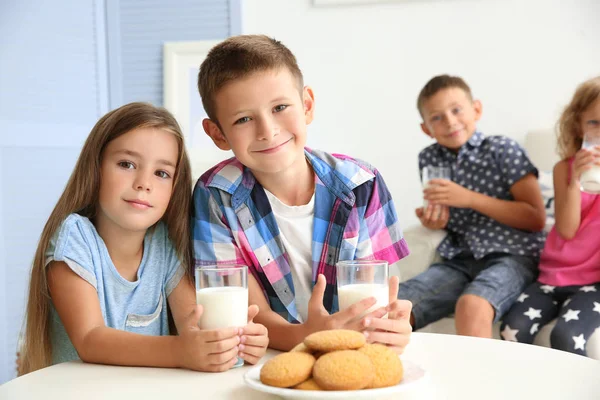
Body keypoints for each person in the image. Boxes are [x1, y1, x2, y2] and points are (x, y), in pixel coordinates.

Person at [192, 35, 412, 353]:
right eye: (243, 119)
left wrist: (396, 322)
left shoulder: (363, 184)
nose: (268, 130)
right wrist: (310, 336)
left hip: (354, 351)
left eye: (280, 107)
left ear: (307, 105)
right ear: (218, 134)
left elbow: (382, 293)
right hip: (268, 355)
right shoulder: (216, 196)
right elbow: (245, 316)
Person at [19, 102, 268, 375]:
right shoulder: (74, 237)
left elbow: (192, 323)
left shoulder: (163, 243)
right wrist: (181, 350)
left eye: (161, 173)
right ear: (96, 168)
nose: (143, 183)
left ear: (174, 188)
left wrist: (235, 342)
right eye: (126, 164)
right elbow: (91, 339)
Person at [397, 75, 547, 338]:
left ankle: (479, 379)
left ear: (476, 109)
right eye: (437, 117)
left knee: (472, 305)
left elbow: (535, 218)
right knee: (396, 305)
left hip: (512, 255)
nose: (450, 121)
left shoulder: (502, 149)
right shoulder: (430, 158)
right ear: (426, 129)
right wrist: (436, 221)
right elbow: (448, 216)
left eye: (456, 110)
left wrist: (468, 198)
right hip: (461, 258)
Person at [500, 76, 600, 356]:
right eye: (594, 123)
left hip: (594, 283)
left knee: (567, 338)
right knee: (512, 329)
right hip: (553, 276)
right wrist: (574, 180)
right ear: (578, 124)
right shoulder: (563, 169)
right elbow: (567, 230)